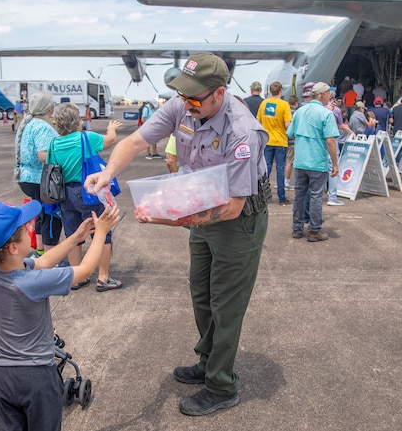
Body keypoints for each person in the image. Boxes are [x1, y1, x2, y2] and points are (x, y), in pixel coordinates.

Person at [84, 53, 269, 416]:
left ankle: (221, 385)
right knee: (201, 293)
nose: (187, 103)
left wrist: (166, 218)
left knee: (226, 305)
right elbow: (135, 142)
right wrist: (107, 173)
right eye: (183, 95)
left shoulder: (242, 131)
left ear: (220, 92)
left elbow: (231, 207)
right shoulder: (183, 105)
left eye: (195, 98)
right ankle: (207, 361)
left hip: (237, 222)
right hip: (200, 209)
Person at [0, 200, 119, 431]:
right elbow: (85, 270)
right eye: (24, 231)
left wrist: (76, 237)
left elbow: (45, 261)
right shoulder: (31, 283)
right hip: (36, 376)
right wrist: (101, 234)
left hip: (2, 373)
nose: (31, 231)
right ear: (13, 248)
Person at [48, 103, 123, 292]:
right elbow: (110, 141)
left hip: (64, 194)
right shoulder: (86, 138)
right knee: (102, 232)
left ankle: (76, 277)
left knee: (73, 234)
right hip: (88, 191)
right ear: (76, 121)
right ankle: (103, 277)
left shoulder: (53, 144)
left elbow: (50, 167)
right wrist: (111, 129)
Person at [14, 91, 63, 258]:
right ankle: (49, 257)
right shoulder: (43, 127)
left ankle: (40, 251)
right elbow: (43, 156)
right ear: (50, 109)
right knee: (50, 218)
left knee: (41, 216)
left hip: (26, 177)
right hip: (39, 179)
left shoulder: (26, 124)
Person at [288, 82, 339, 242]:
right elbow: (330, 140)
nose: (330, 97)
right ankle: (314, 230)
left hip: (300, 161)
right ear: (323, 94)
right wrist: (335, 163)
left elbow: (291, 134)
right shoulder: (326, 114)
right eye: (329, 94)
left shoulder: (299, 112)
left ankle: (297, 228)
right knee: (316, 196)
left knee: (299, 195)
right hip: (317, 162)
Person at [256, 81, 292, 205]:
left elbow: (258, 121)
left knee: (266, 168)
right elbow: (287, 124)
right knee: (280, 168)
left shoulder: (264, 103)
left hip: (267, 140)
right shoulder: (284, 105)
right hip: (281, 141)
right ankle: (282, 198)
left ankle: (262, 195)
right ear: (281, 91)